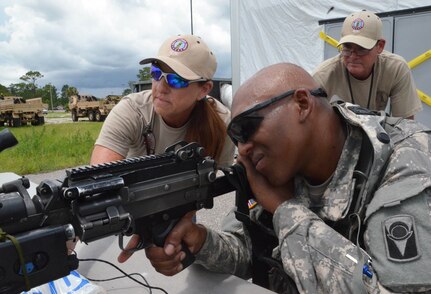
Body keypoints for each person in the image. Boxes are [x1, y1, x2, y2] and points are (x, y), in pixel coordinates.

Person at [119, 62, 431, 293]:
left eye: (248, 128)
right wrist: (200, 241)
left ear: (302, 103)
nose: (242, 150)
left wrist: (284, 210)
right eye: (235, 138)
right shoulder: (280, 162)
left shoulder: (402, 160)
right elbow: (247, 252)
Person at [90, 34, 235, 167]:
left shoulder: (221, 122)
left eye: (176, 80)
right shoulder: (132, 112)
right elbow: (97, 183)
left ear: (204, 90)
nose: (160, 87)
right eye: (156, 73)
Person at [312, 10, 422, 119]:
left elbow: (406, 126)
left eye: (362, 49)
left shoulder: (396, 68)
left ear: (380, 46)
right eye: (347, 47)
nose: (353, 56)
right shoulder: (322, 76)